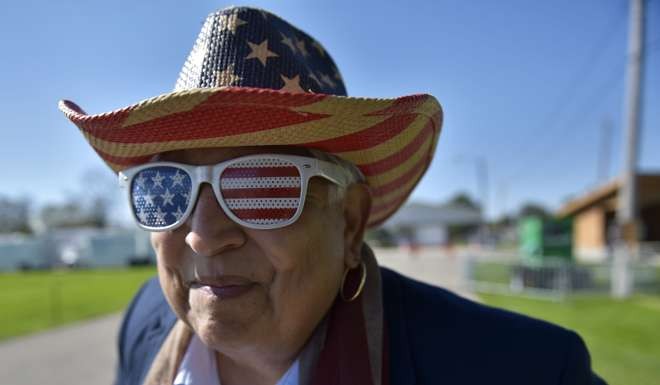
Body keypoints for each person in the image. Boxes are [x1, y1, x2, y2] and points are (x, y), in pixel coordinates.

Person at [59, 6, 606, 385]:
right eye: (164, 191)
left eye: (262, 186)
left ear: (349, 223)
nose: (203, 233)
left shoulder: (524, 371)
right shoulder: (145, 320)